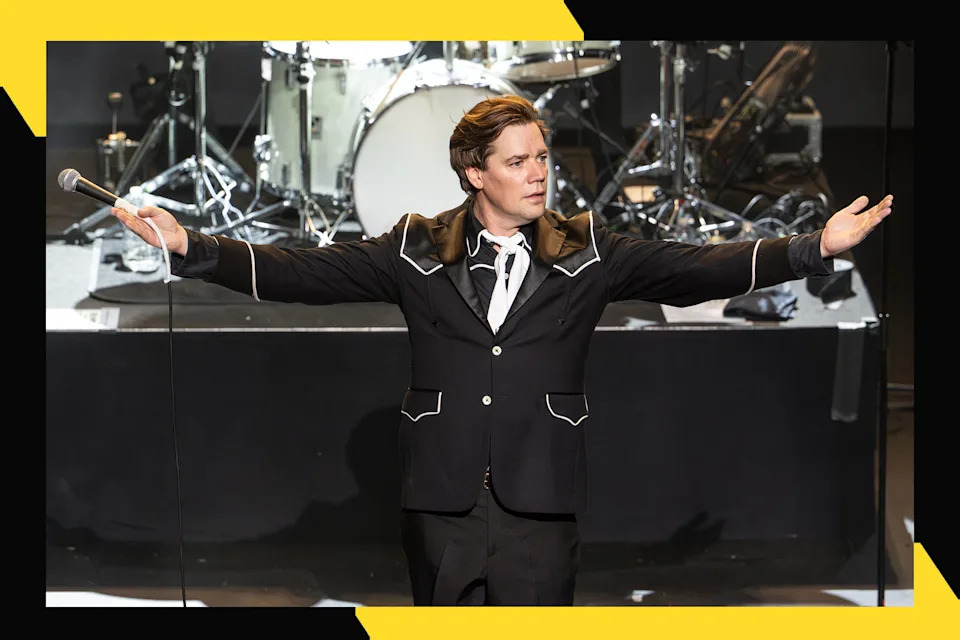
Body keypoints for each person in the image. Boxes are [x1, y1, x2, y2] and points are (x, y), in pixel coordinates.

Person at [112, 94, 893, 606]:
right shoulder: (415, 249)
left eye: (543, 159)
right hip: (442, 496)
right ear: (473, 172)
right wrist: (193, 247)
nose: (538, 175)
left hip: (540, 494)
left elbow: (693, 270)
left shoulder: (590, 250)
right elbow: (302, 274)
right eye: (518, 162)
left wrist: (810, 248)